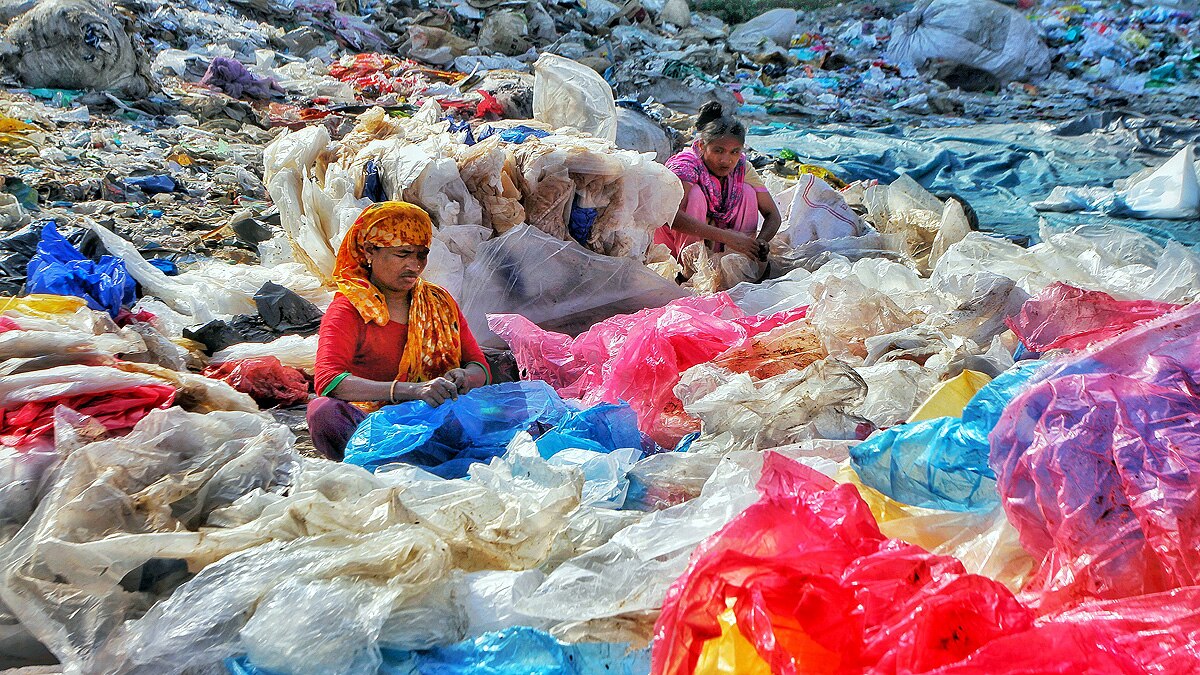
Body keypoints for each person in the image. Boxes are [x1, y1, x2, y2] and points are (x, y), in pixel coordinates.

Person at [308, 201, 491, 460]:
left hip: (435, 418)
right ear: (370, 250)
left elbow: (479, 366)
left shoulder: (438, 302)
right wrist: (410, 390)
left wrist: (464, 377)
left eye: (421, 255)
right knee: (323, 412)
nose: (414, 266)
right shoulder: (350, 310)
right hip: (375, 426)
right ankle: (386, 460)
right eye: (403, 254)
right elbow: (329, 381)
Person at [655, 102, 783, 266]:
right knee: (695, 195)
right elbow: (669, 216)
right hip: (672, 249)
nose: (726, 160)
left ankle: (740, 261)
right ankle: (690, 267)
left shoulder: (741, 167)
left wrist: (760, 242)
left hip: (718, 242)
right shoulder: (686, 166)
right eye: (718, 150)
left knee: (748, 192)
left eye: (734, 152)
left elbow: (773, 215)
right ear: (702, 146)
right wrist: (727, 237)